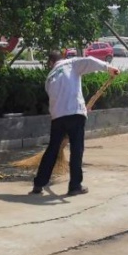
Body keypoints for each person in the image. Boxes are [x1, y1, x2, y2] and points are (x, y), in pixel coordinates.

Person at [30, 51, 120, 196]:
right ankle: (75, 186)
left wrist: (81, 108)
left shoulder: (50, 77)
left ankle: (38, 184)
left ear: (51, 62)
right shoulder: (70, 63)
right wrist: (109, 68)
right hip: (75, 114)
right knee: (77, 150)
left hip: (57, 117)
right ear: (62, 58)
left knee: (52, 150)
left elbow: (57, 98)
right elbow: (90, 60)